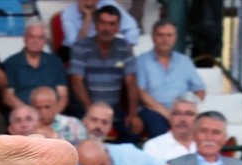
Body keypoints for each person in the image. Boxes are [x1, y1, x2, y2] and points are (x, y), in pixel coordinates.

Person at [68, 5, 141, 141]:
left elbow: (131, 81)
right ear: (96, 25)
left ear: (118, 27)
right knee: (77, 137)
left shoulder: (124, 47)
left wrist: (133, 114)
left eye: (112, 24)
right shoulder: (81, 47)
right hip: (84, 107)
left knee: (132, 132)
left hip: (112, 108)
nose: (107, 28)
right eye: (103, 23)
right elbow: (76, 81)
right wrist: (91, 109)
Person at [134, 19, 205, 139]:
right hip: (153, 110)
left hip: (181, 109)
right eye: (160, 35)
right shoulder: (142, 61)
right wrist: (167, 113)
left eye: (169, 35)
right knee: (158, 129)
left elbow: (200, 89)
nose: (164, 39)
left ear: (175, 38)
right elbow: (140, 93)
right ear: (153, 37)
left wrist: (189, 108)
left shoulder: (184, 61)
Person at [0, 19, 67, 112]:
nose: (35, 41)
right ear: (25, 38)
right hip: (23, 117)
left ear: (45, 41)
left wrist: (51, 115)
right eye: (32, 36)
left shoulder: (55, 62)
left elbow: (63, 96)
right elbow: (8, 97)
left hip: (52, 117)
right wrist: (30, 115)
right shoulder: (11, 63)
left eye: (40, 38)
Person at [59, 0, 140, 57]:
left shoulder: (108, 5)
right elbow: (77, 47)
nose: (88, 2)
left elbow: (131, 28)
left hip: (104, 47)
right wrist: (87, 19)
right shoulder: (68, 14)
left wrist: (126, 48)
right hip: (72, 52)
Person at [142, 93, 198, 162]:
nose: (182, 119)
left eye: (189, 114)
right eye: (177, 113)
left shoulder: (205, 145)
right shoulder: (154, 146)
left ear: (198, 119)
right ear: (170, 117)